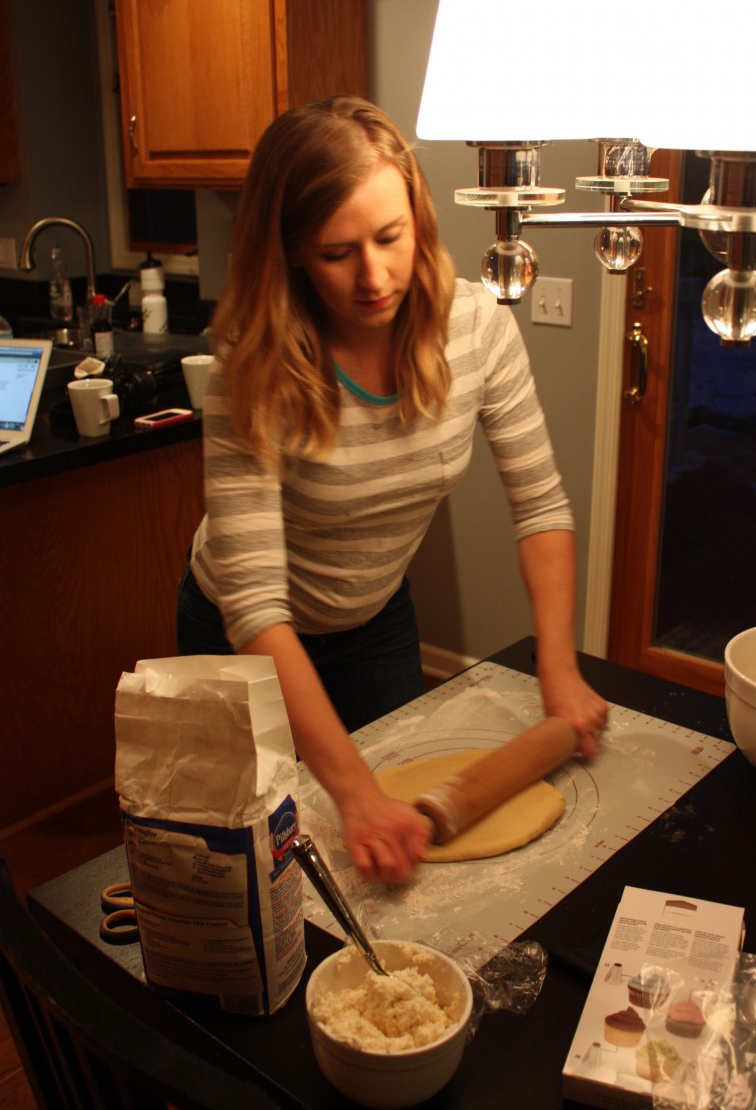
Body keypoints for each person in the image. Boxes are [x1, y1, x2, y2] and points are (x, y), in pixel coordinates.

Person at [177, 95, 608, 885]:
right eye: (338, 252)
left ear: (420, 221)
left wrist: (560, 668)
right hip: (243, 639)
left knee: (394, 862)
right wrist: (351, 790)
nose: (375, 277)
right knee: (256, 869)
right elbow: (256, 607)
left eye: (390, 238)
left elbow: (540, 504)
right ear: (292, 253)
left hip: (373, 620)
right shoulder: (253, 367)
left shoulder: (475, 328)